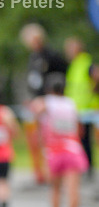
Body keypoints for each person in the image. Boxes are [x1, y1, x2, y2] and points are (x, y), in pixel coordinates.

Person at [31, 75, 88, 207]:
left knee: (55, 188)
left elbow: (35, 111)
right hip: (72, 149)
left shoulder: (46, 102)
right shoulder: (72, 104)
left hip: (54, 151)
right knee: (73, 190)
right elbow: (80, 129)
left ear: (49, 89)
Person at [20, 24, 68, 184]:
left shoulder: (52, 56)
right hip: (36, 103)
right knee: (35, 138)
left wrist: (50, 98)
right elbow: (33, 80)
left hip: (50, 103)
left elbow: (60, 78)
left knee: (51, 138)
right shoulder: (33, 57)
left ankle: (55, 171)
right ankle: (40, 173)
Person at [63, 37, 99, 178]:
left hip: (90, 108)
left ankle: (88, 168)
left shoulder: (86, 63)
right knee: (81, 140)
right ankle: (85, 167)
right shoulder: (74, 65)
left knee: (88, 141)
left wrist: (94, 92)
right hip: (78, 109)